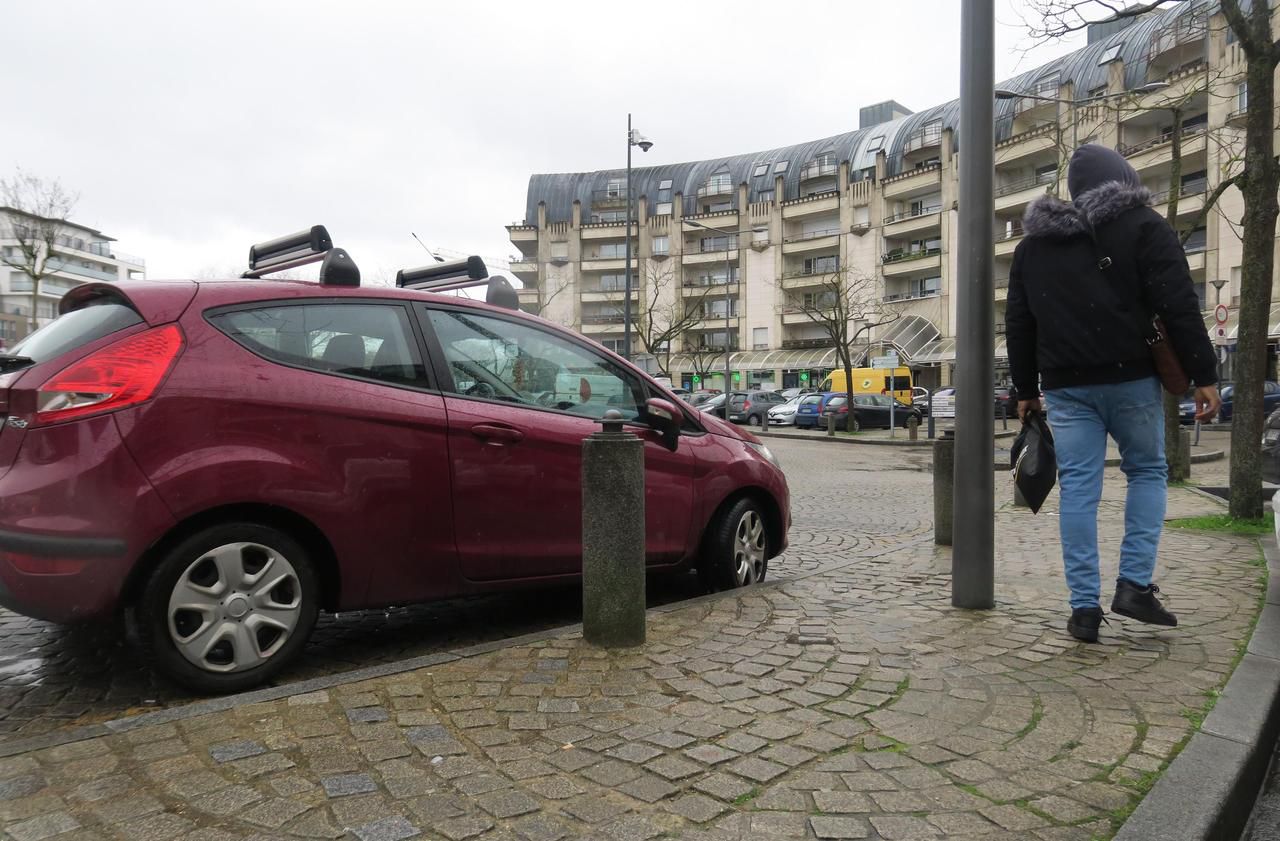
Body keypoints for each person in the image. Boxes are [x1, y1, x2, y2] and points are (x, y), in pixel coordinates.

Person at [1006, 144, 1221, 643]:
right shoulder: (1144, 226)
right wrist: (1203, 374)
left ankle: (1083, 610)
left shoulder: (1032, 248)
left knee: (1079, 488)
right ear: (1122, 181)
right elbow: (1179, 304)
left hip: (1066, 386)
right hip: (1131, 379)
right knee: (1146, 471)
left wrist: (1024, 390)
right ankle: (1134, 586)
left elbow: (1019, 322)